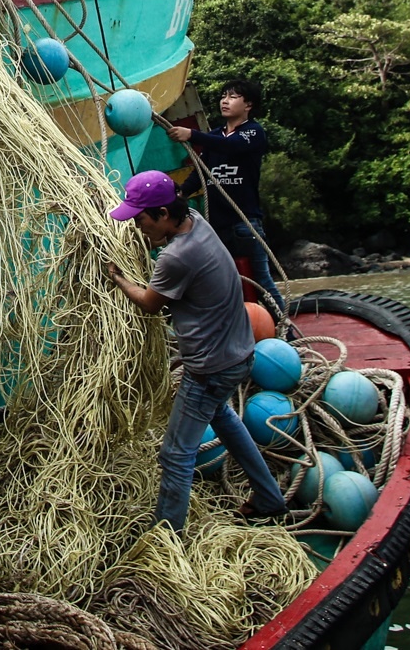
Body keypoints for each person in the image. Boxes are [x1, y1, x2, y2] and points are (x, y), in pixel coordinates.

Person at [104, 171, 286, 531]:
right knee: (225, 420)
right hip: (238, 354)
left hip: (209, 369)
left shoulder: (177, 258)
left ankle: (167, 537)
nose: (136, 228)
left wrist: (117, 276)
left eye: (139, 219)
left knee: (175, 453)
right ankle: (269, 497)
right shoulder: (195, 221)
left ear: (161, 214)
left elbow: (150, 304)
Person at [167, 79, 284, 314]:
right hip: (217, 226)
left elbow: (232, 147)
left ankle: (286, 331)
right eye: (223, 96)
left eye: (232, 97)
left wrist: (192, 134)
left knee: (261, 280)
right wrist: (183, 193)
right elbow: (201, 170)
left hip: (244, 223)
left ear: (248, 104)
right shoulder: (216, 135)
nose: (225, 101)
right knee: (224, 282)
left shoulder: (253, 132)